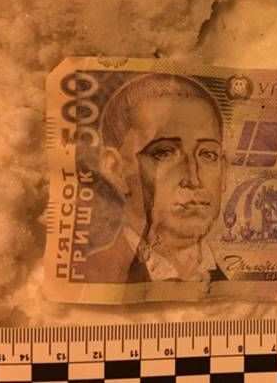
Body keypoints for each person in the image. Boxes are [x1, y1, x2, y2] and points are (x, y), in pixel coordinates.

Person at [85, 73, 227, 283]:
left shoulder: (237, 285)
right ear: (115, 169)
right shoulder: (89, 278)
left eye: (208, 154)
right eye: (164, 153)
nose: (193, 179)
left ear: (225, 172)